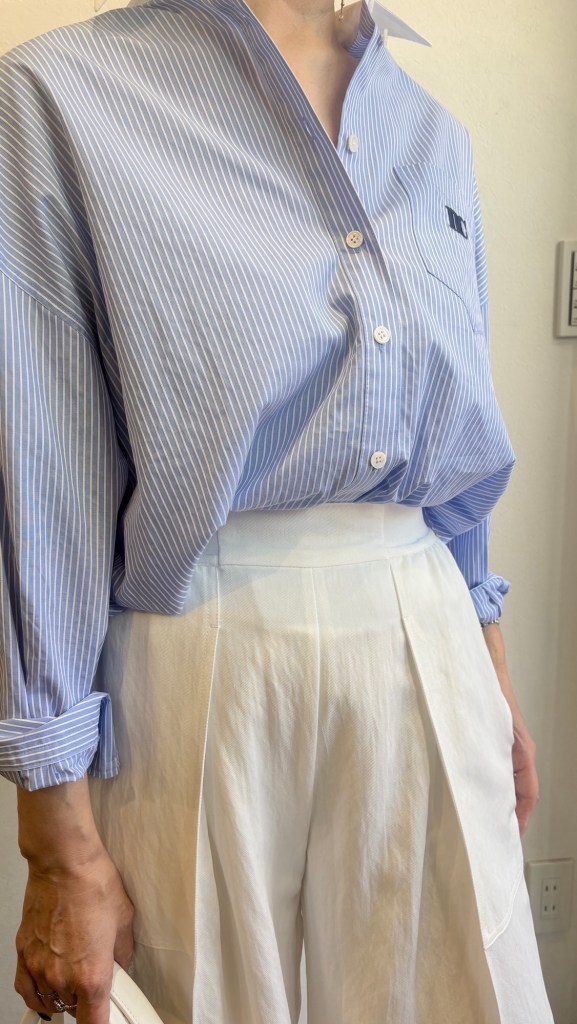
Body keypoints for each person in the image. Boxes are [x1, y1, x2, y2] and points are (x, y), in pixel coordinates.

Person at [0, 0, 554, 1021]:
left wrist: (494, 681)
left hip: (427, 631)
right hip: (207, 651)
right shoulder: (62, 96)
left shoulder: (431, 133)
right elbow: (44, 476)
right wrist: (55, 844)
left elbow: (459, 463)